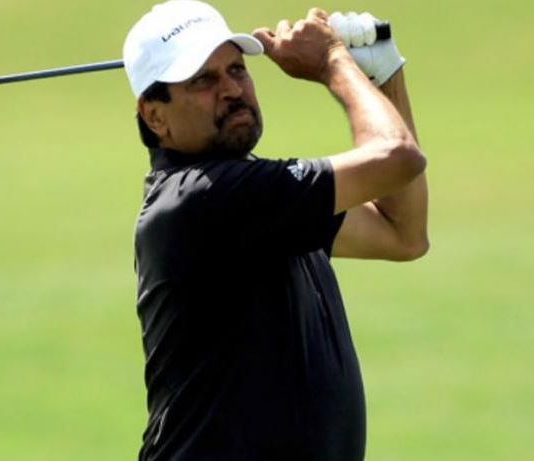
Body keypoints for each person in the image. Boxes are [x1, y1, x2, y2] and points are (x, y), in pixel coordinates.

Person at [122, 1, 428, 460]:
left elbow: (402, 233)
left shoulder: (257, 199)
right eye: (203, 80)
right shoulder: (202, 199)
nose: (231, 89)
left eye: (236, 70)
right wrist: (334, 63)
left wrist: (384, 76)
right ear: (154, 116)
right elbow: (397, 158)